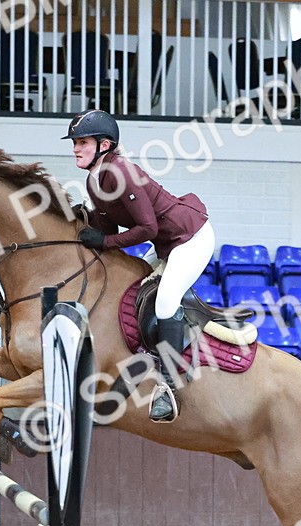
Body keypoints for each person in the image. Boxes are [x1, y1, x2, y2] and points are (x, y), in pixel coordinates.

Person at [63, 109, 215, 424]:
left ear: (104, 145)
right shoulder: (94, 180)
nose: (76, 148)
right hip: (166, 244)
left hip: (190, 238)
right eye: (75, 142)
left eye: (82, 142)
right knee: (133, 292)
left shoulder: (121, 173)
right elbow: (108, 231)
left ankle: (169, 386)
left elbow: (147, 229)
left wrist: (103, 244)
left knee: (166, 301)